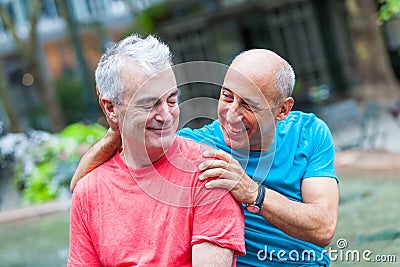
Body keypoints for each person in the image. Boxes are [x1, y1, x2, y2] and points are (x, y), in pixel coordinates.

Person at [71, 47, 339, 266]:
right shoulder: (197, 146)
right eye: (226, 96)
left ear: (283, 110)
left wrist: (252, 192)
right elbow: (81, 186)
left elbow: (324, 228)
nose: (231, 113)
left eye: (248, 104)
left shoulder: (309, 133)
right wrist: (115, 128)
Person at [67, 34, 246, 267]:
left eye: (171, 100)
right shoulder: (89, 191)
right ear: (111, 108)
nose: (165, 116)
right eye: (149, 104)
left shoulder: (209, 171)